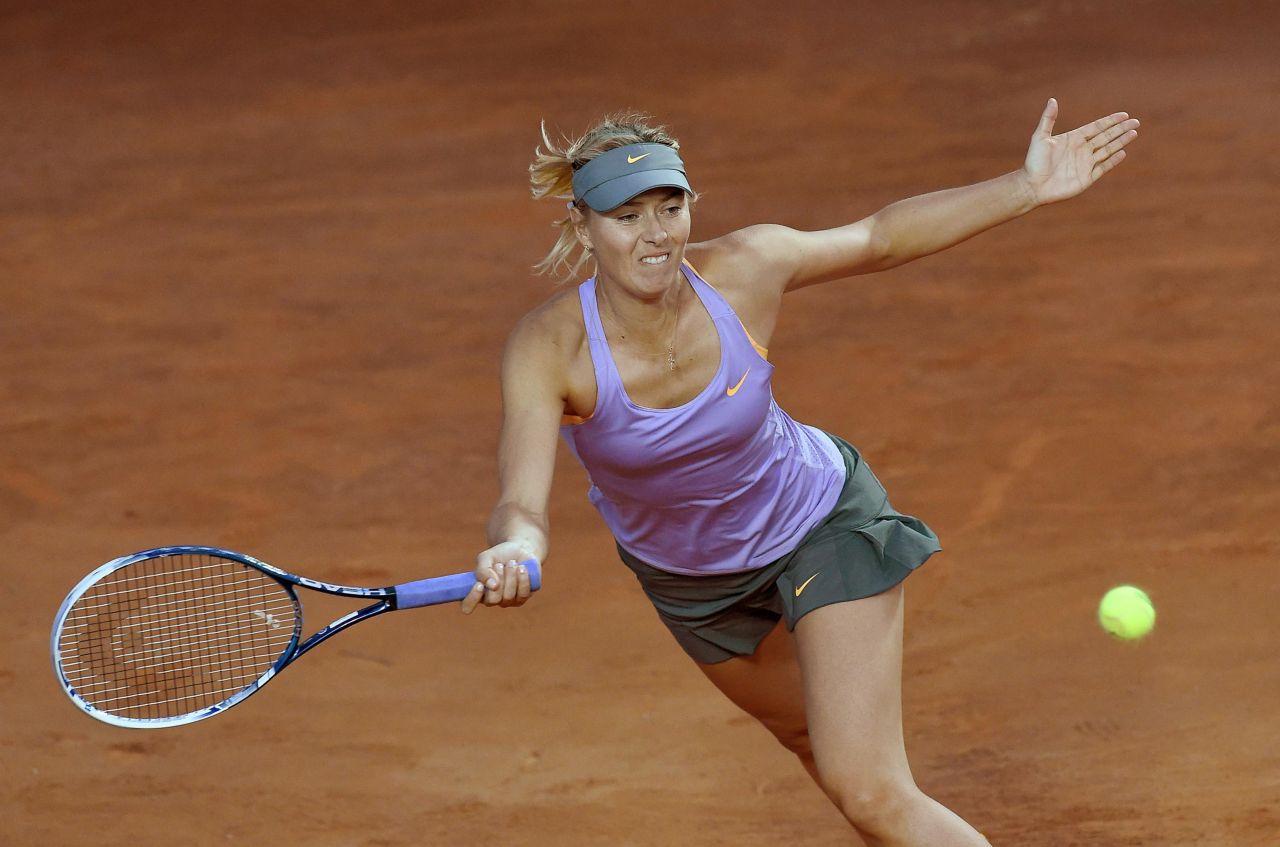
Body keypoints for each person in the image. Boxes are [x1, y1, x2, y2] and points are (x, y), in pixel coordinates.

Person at [460, 99, 1138, 845]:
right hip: (696, 587)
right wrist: (516, 546)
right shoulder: (549, 347)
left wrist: (1025, 187)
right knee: (818, 749)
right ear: (583, 225)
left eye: (670, 207)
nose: (656, 234)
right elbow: (521, 502)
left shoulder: (745, 267)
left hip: (819, 524)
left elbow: (878, 238)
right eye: (626, 216)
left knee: (870, 789)